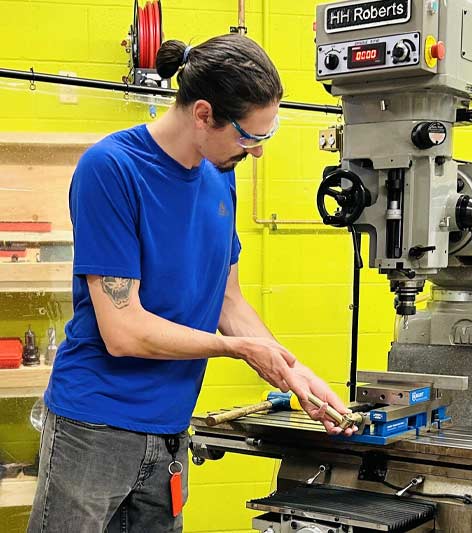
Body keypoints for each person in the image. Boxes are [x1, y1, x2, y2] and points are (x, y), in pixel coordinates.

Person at [27, 34, 353, 533]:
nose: (257, 152)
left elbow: (228, 298)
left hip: (170, 433)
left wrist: (293, 371)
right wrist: (237, 349)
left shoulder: (219, 171)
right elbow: (124, 330)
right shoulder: (112, 169)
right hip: (95, 428)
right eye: (249, 136)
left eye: (267, 135)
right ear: (203, 113)